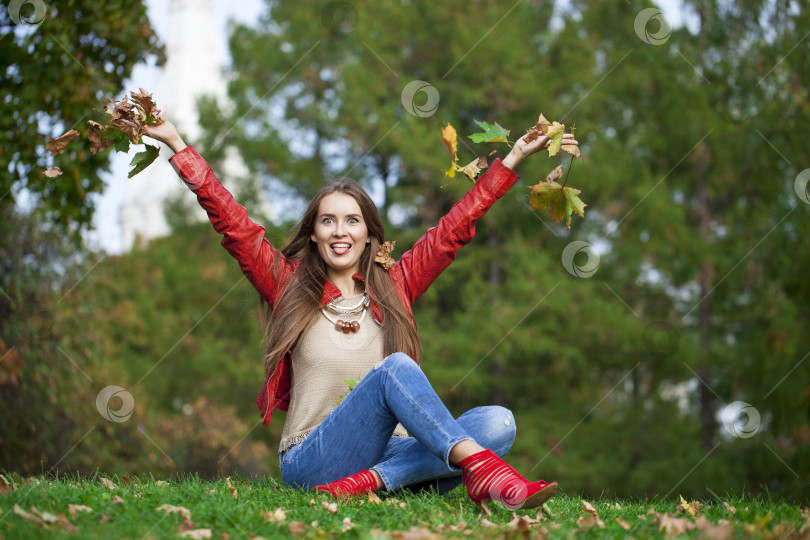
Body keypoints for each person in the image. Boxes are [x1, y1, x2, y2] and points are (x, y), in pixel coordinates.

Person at [142, 117, 577, 515]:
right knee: (394, 371)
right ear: (313, 233)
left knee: (498, 423)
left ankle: (373, 482)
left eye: (352, 221)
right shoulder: (287, 284)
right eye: (328, 221)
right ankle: (476, 472)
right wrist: (179, 146)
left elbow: (454, 229)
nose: (340, 231)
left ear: (368, 233)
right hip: (312, 458)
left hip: (389, 454)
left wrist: (514, 156)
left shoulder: (396, 285)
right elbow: (233, 224)